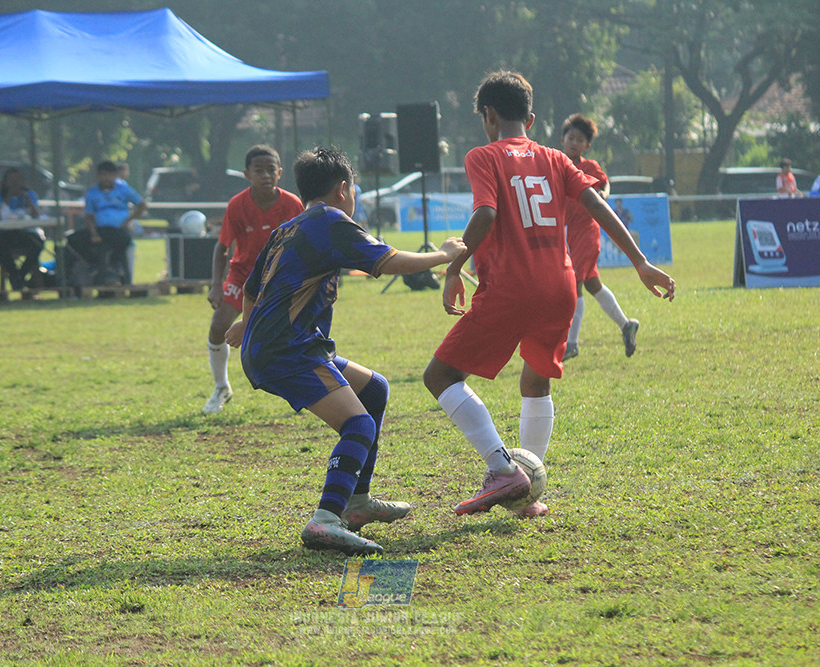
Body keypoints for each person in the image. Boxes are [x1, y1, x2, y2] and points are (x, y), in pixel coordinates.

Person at [422, 71, 675, 519]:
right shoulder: (556, 158)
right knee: (535, 380)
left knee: (440, 377)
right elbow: (597, 205)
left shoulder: (484, 155)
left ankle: (503, 471)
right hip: (560, 285)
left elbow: (485, 212)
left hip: (511, 287)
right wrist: (640, 262)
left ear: (489, 116)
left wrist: (455, 266)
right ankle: (527, 498)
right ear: (532, 119)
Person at [224, 147, 466, 555]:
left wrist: (247, 325)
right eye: (353, 189)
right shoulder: (332, 221)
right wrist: (445, 255)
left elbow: (252, 287)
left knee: (374, 390)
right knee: (359, 424)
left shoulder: (289, 226)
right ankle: (325, 519)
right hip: (288, 349)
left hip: (284, 344)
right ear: (342, 190)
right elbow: (389, 261)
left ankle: (357, 502)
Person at [203, 145, 303, 415]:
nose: (266, 175)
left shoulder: (292, 204)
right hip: (243, 273)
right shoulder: (237, 205)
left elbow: (305, 244)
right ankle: (221, 387)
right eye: (259, 170)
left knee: (293, 333)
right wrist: (216, 285)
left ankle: (306, 385)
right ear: (247, 174)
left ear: (280, 173)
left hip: (279, 277)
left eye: (271, 169)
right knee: (218, 326)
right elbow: (222, 247)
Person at [560, 114, 639, 361]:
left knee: (575, 284)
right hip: (568, 231)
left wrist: (603, 193)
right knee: (593, 284)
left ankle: (571, 343)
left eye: (579, 139)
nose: (574, 142)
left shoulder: (590, 167)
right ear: (562, 139)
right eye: (571, 137)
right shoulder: (556, 164)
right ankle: (626, 325)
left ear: (587, 146)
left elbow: (605, 184)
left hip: (587, 230)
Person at [68, 160, 147, 285]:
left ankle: (113, 263)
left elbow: (142, 205)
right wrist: (94, 234)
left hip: (118, 230)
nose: (106, 178)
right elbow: (89, 216)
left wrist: (128, 221)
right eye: (103, 175)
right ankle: (94, 263)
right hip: (100, 230)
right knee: (73, 239)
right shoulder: (92, 193)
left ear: (115, 175)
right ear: (98, 175)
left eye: (109, 175)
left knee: (124, 239)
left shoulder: (123, 189)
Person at [0, 168, 45, 291]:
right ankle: (14, 275)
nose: (15, 183)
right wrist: (8, 197)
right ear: (5, 182)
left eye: (18, 180)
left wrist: (27, 199)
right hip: (7, 234)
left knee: (37, 244)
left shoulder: (30, 194)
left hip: (26, 232)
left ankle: (19, 276)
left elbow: (37, 215)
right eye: (11, 180)